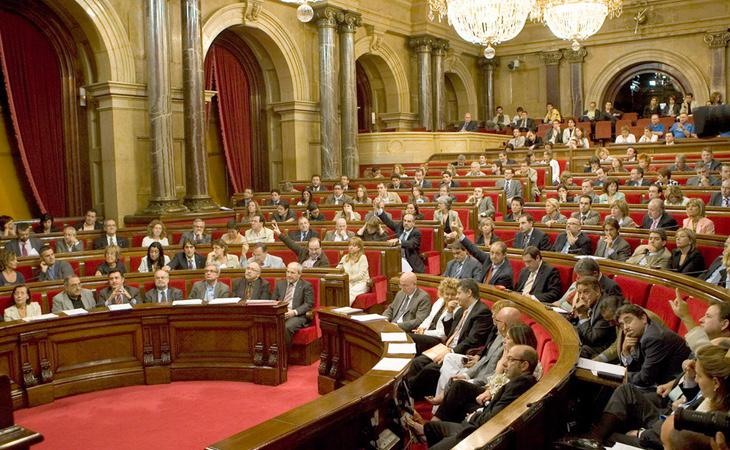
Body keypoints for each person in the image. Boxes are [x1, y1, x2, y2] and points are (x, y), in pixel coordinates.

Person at [415, 345, 538, 450]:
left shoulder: (519, 384)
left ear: (524, 365)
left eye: (510, 359)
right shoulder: (521, 381)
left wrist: (473, 415)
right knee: (431, 427)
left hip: (475, 435)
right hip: (477, 427)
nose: (505, 363)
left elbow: (492, 418)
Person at [405, 279, 493, 400]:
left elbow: (473, 340)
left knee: (429, 369)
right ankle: (407, 390)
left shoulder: (482, 312)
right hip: (446, 347)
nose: (456, 297)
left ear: (468, 293)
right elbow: (449, 332)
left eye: (458, 293)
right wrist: (450, 313)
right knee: (418, 361)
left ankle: (410, 393)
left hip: (459, 353)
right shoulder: (462, 309)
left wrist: (451, 351)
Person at [408, 278, 460, 353]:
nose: (449, 297)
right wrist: (421, 328)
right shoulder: (440, 301)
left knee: (409, 337)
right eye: (447, 294)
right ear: (442, 293)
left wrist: (424, 332)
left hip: (439, 339)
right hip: (428, 333)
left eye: (453, 294)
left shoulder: (457, 309)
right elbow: (429, 318)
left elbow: (443, 333)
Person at [273, 262, 314, 347]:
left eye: (292, 273)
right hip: (280, 314)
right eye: (287, 272)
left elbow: (308, 304)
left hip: (297, 316)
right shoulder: (280, 284)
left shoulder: (306, 286)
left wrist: (294, 312)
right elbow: (273, 301)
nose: (289, 275)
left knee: (286, 327)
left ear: (299, 274)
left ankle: (284, 355)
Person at [336, 237, 370, 305]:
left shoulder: (363, 258)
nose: (351, 247)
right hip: (348, 282)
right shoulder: (345, 257)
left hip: (361, 283)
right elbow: (338, 269)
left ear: (359, 248)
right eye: (350, 245)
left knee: (350, 292)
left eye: (354, 246)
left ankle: (344, 310)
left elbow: (361, 275)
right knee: (340, 291)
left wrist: (347, 279)